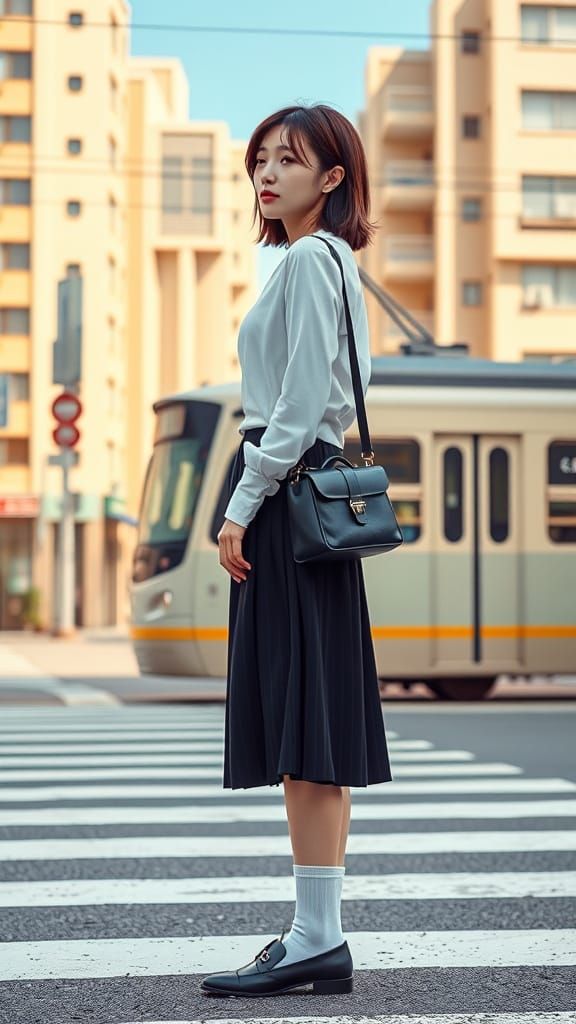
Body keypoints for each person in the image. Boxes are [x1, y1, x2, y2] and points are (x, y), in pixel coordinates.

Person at [200, 102, 394, 999]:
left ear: (334, 179)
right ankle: (319, 933)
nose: (267, 174)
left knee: (304, 729)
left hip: (287, 502)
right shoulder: (313, 263)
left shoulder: (315, 258)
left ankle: (317, 936)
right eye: (261, 159)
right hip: (297, 500)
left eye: (291, 160)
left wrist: (241, 504)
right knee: (309, 722)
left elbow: (304, 398)